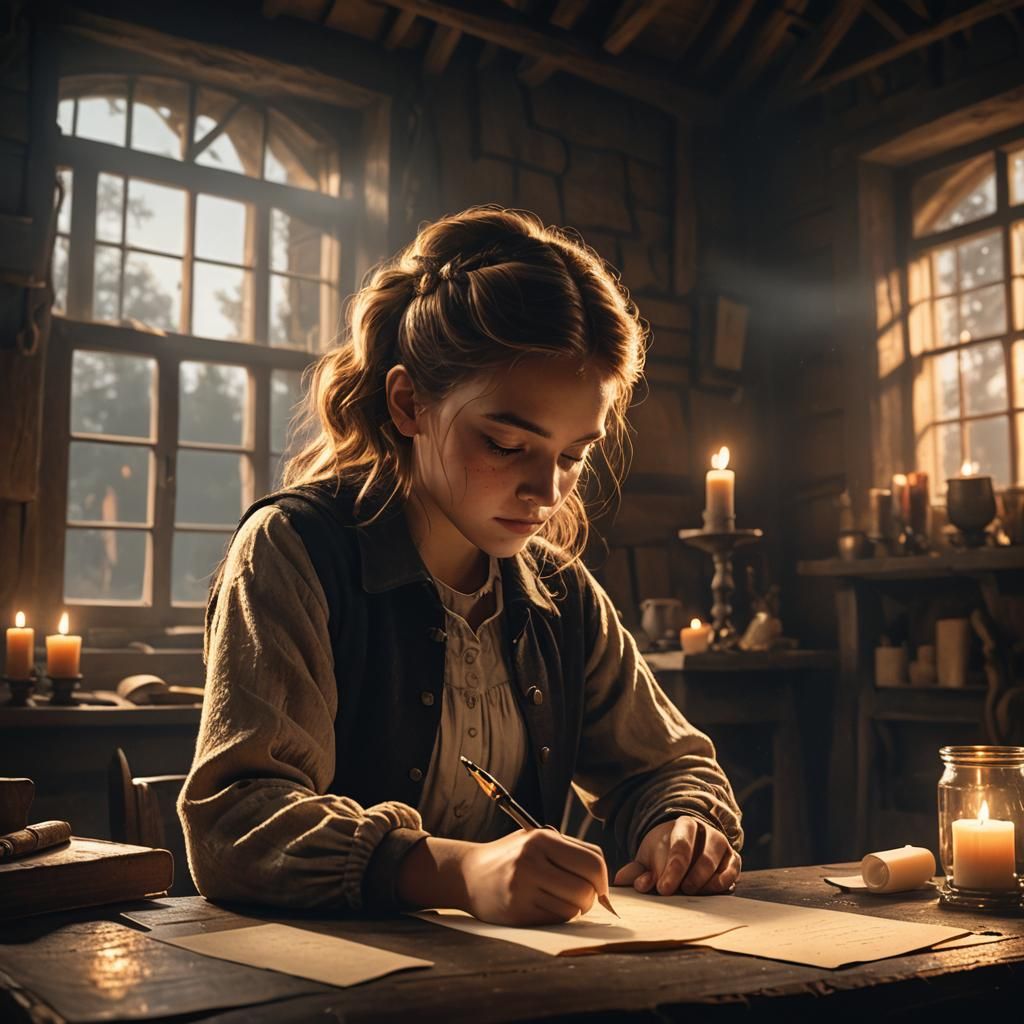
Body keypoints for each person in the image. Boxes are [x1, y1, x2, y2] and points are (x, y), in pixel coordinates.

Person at [178, 206, 743, 927]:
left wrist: (681, 823)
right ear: (410, 402)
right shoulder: (294, 551)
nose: (548, 493)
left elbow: (670, 765)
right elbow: (237, 821)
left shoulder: (561, 594)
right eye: (508, 444)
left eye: (573, 456)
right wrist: (456, 872)